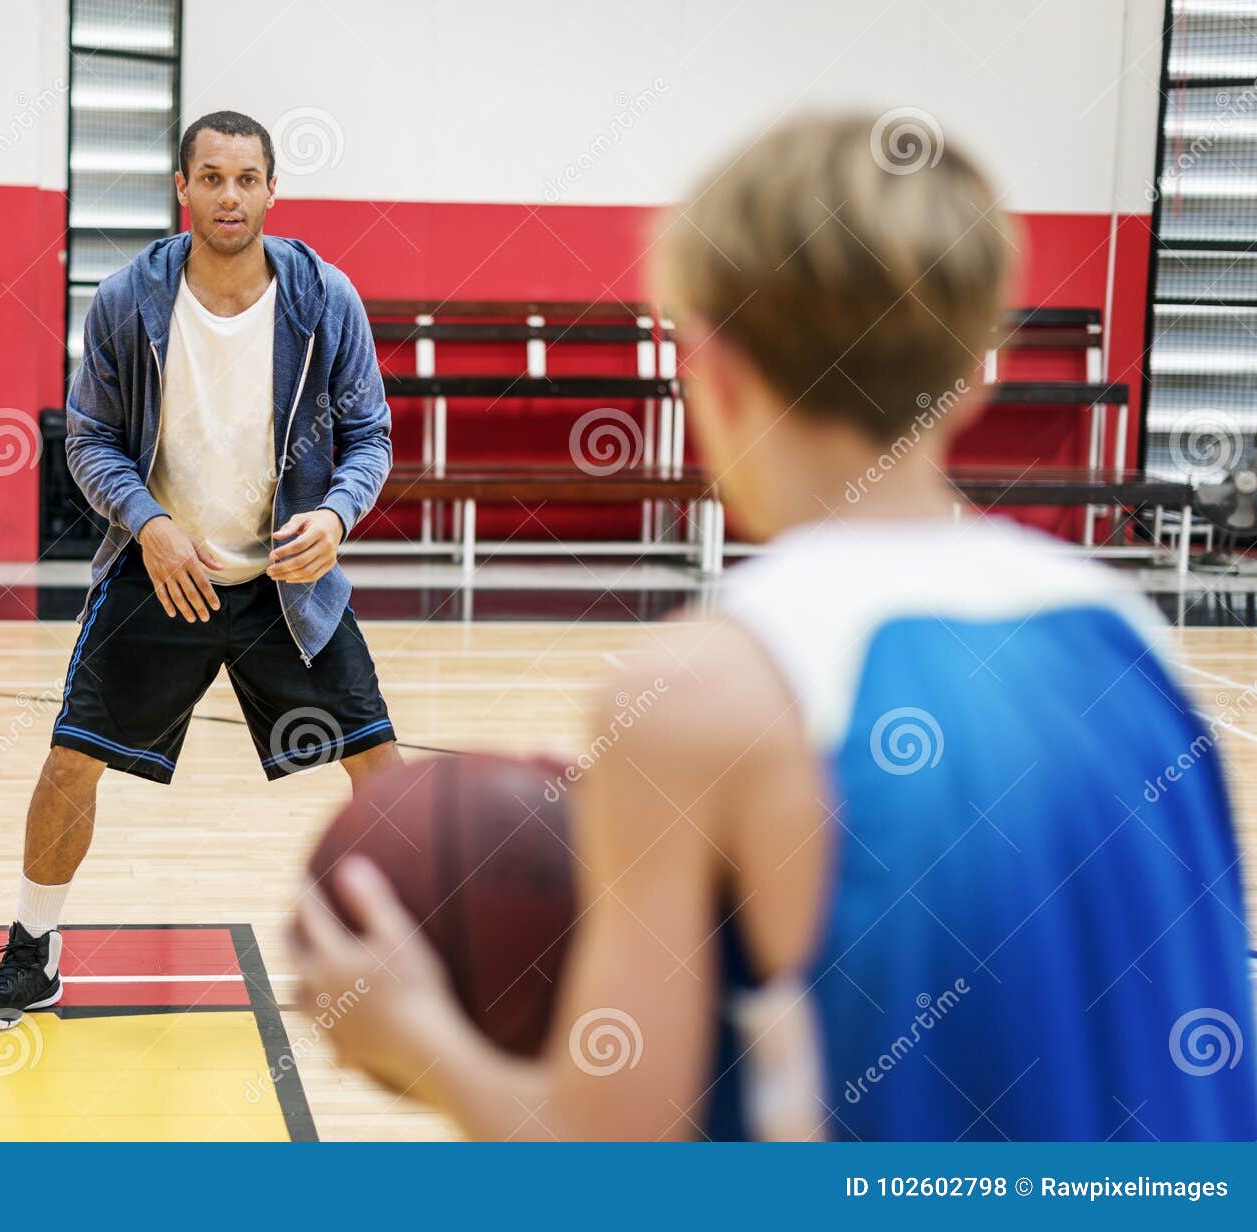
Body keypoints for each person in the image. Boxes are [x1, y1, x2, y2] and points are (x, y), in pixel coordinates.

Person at [292, 112, 1257, 1141]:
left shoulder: (701, 696)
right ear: (982, 368)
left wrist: (418, 1039)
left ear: (708, 363)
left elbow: (603, 1166)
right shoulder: (1126, 631)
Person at [0, 111, 399, 1031]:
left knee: (379, 765)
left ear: (273, 189)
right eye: (211, 177)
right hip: (166, 572)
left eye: (246, 178)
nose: (229, 195)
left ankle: (419, 948)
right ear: (183, 187)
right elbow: (88, 441)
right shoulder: (129, 299)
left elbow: (370, 437)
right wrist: (149, 524)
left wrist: (334, 512)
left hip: (285, 582)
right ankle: (31, 956)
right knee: (73, 761)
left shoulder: (327, 299)